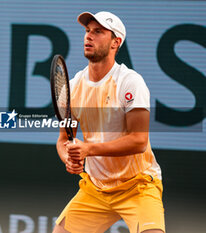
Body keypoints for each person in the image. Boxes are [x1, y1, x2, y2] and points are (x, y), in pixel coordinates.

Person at [53, 11, 165, 233]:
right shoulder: (73, 86)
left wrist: (88, 149)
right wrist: (69, 157)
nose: (89, 36)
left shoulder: (130, 83)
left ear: (116, 42)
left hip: (138, 186)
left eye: (98, 32)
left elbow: (139, 141)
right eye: (87, 31)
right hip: (95, 189)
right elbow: (63, 140)